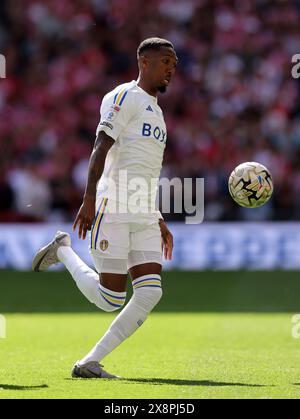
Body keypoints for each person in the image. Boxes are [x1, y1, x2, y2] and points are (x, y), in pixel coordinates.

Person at [32, 37, 177, 378]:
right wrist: (89, 200)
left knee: (150, 292)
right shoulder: (124, 96)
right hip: (114, 205)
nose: (171, 69)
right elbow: (101, 146)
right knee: (110, 299)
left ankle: (88, 363)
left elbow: (145, 170)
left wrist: (158, 217)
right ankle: (63, 250)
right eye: (165, 61)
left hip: (143, 213)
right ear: (144, 62)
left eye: (174, 64)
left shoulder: (157, 113)